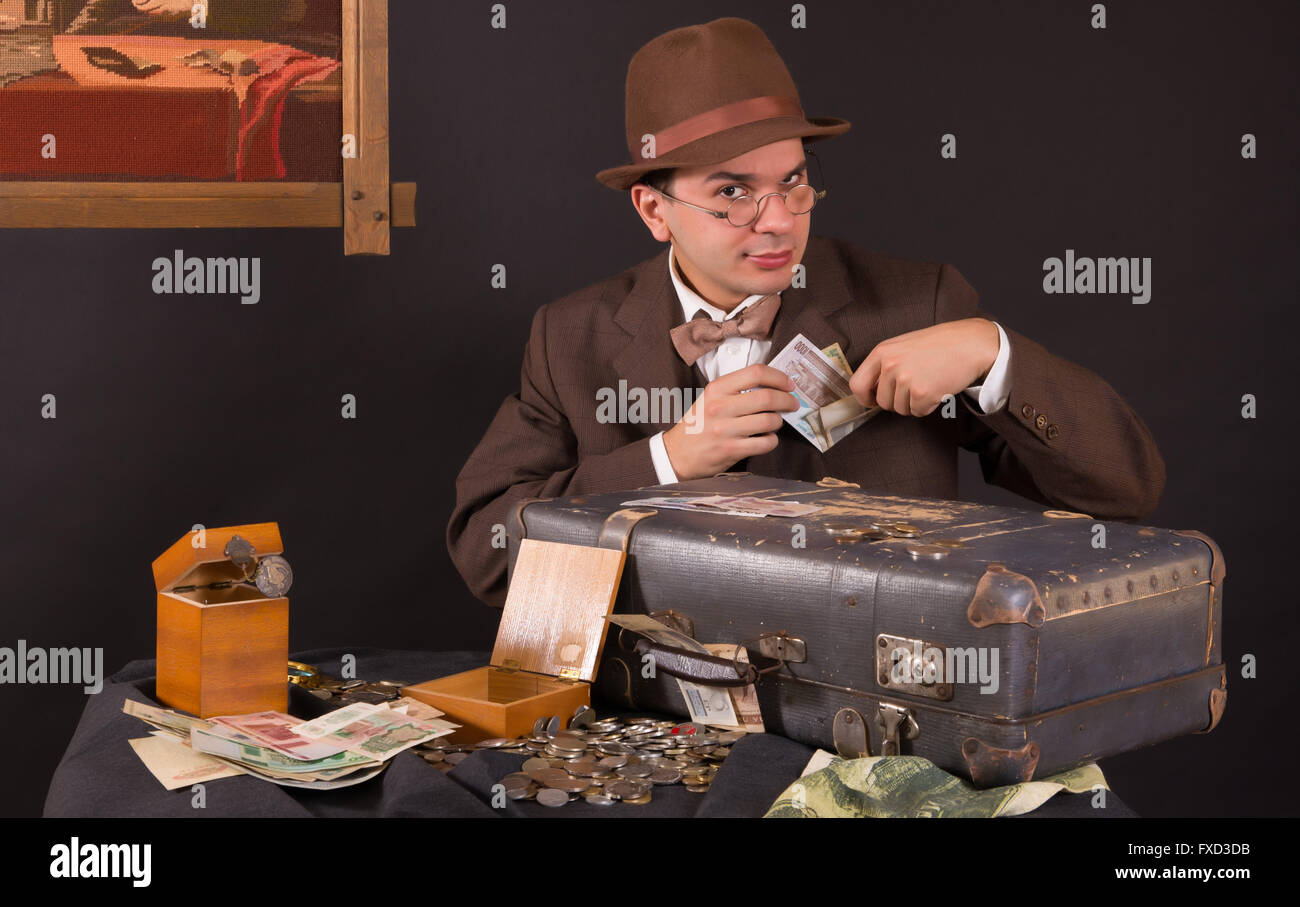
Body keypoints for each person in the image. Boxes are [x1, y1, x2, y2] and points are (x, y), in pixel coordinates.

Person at [446, 17, 1165, 609]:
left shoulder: (920, 304)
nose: (777, 221)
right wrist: (667, 460)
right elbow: (486, 547)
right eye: (732, 192)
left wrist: (993, 353)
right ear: (654, 209)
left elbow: (1125, 488)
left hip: (880, 721)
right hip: (661, 732)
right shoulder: (571, 335)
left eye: (793, 182)